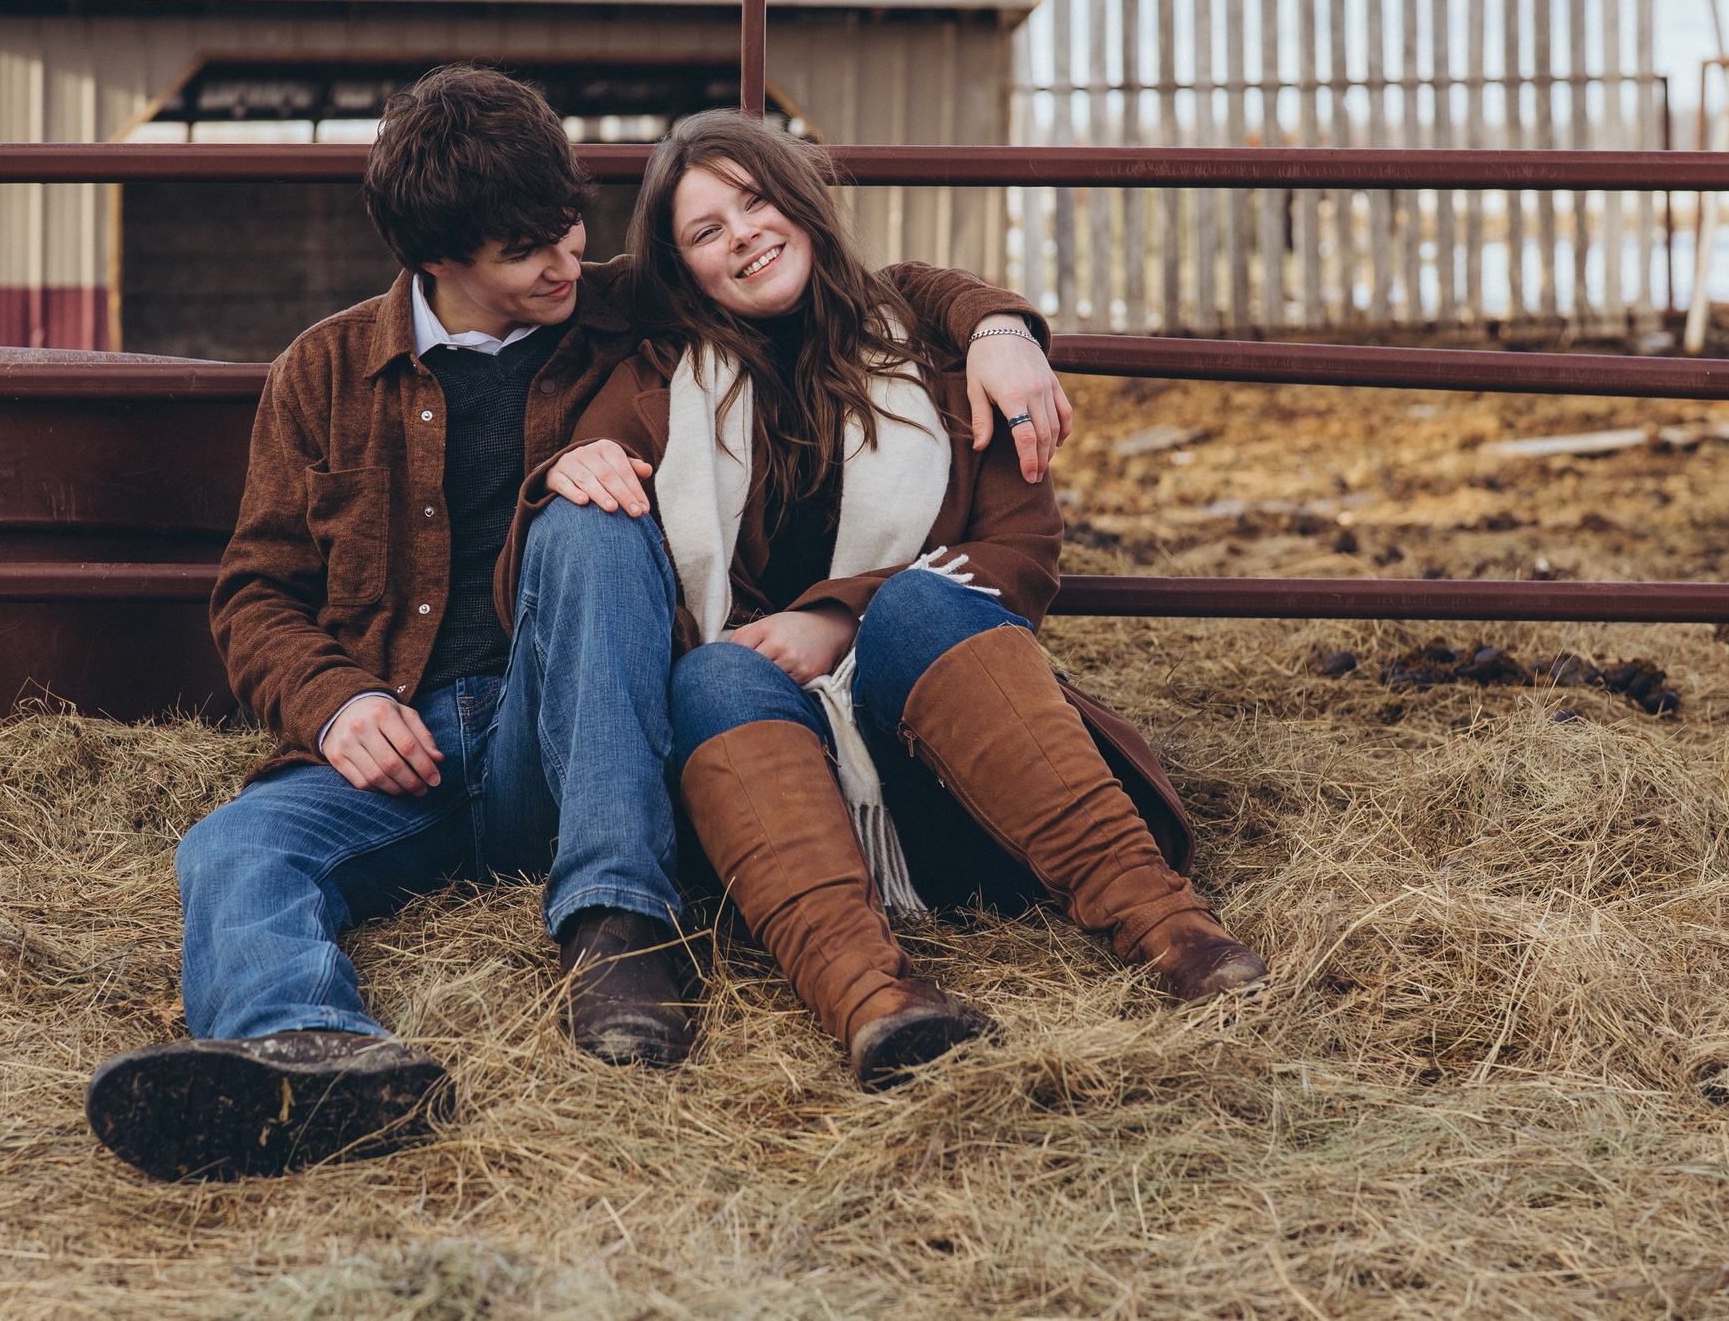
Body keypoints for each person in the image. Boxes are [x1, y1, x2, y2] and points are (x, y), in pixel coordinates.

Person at [85, 66, 1071, 1181]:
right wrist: (337, 701)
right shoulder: (322, 371)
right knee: (235, 845)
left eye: (569, 230)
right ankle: (309, 1055)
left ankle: (616, 921)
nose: (565, 264)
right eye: (526, 254)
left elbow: (842, 275)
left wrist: (997, 325)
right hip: (408, 744)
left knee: (591, 518)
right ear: (437, 263)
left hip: (573, 724)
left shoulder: (625, 303)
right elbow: (255, 594)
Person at [522, 109, 1266, 1091]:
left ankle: (1178, 935)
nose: (741, 234)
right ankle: (875, 1000)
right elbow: (575, 596)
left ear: (803, 200)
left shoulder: (935, 353)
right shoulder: (655, 388)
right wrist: (572, 469)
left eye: (755, 201)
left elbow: (1021, 555)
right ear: (684, 269)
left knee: (921, 607)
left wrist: (837, 617)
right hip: (773, 814)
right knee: (713, 674)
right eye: (706, 231)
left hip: (965, 789)